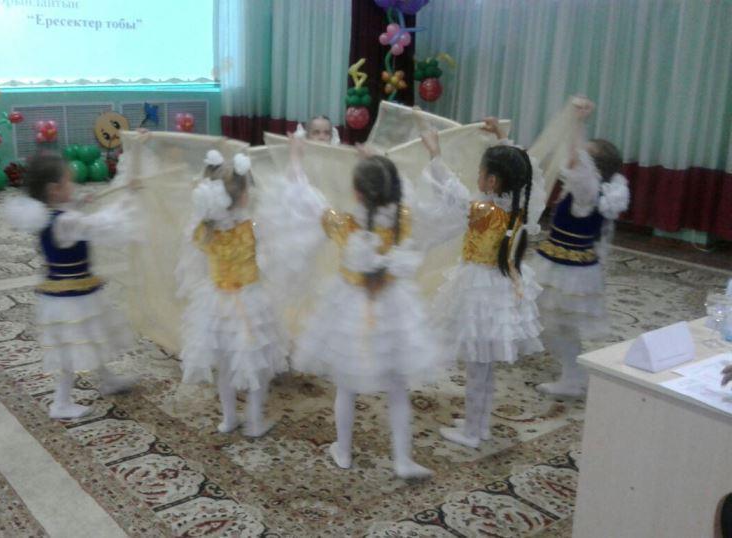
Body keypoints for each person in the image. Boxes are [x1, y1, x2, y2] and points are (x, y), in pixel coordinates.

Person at [260, 133, 441, 479]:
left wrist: (296, 155)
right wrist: (376, 159)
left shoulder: (343, 223)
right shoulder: (402, 218)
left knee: (346, 384)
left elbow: (301, 197)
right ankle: (402, 459)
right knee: (398, 387)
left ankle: (342, 451)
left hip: (350, 309)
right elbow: (400, 189)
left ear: (357, 194)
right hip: (393, 308)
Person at [418, 120, 544, 449]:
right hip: (501, 289)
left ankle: (472, 433)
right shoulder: (519, 205)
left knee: (477, 367)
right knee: (485, 368)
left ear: (491, 181)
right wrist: (504, 139)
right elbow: (526, 169)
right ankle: (480, 424)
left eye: (480, 172)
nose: (476, 177)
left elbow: (452, 193)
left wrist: (435, 154)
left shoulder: (484, 210)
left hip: (479, 293)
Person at [4, 153, 141, 420]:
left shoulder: (49, 215)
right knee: (71, 349)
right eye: (69, 182)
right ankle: (61, 403)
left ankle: (108, 379)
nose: (74, 186)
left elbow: (70, 216)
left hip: (71, 293)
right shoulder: (67, 222)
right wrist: (128, 198)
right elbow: (99, 224)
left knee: (92, 334)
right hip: (71, 300)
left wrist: (78, 203)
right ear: (54, 190)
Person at [176, 150, 289, 437]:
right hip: (250, 304)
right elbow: (269, 260)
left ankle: (228, 419)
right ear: (243, 196)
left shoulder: (204, 230)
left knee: (225, 368)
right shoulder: (252, 228)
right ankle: (254, 421)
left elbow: (197, 258)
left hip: (215, 305)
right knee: (258, 367)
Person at [533, 98, 630, 398]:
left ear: (593, 168)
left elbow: (578, 161)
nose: (574, 159)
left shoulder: (586, 192)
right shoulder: (593, 191)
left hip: (568, 270)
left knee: (557, 324)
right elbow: (579, 162)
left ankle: (572, 377)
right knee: (554, 321)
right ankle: (572, 373)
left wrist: (578, 122)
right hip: (567, 263)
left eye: (585, 157)